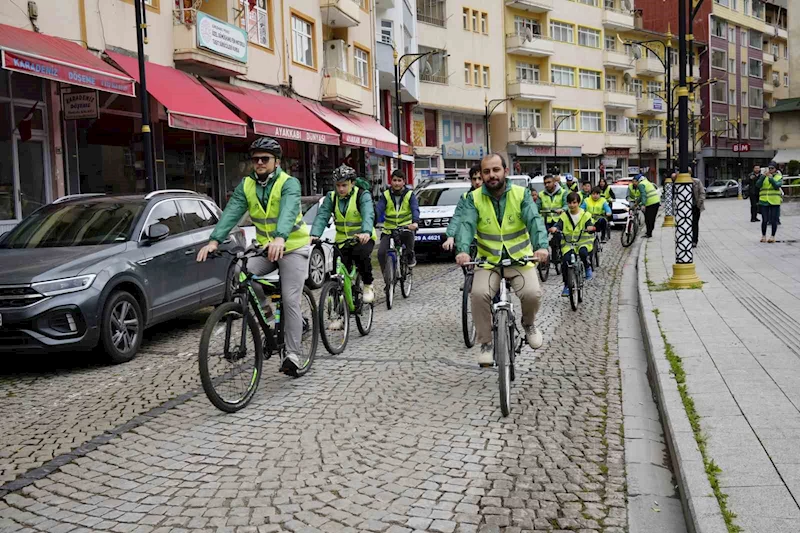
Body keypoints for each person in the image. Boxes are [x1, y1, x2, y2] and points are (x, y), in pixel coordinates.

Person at [196, 137, 310, 376]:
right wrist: (215, 240)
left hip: (292, 248)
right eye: (255, 158)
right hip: (266, 248)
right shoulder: (247, 185)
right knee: (241, 272)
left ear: (276, 161)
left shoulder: (289, 183)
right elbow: (231, 213)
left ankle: (293, 354)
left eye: (265, 159)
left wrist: (280, 237)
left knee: (289, 300)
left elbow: (289, 211)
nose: (259, 162)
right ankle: (267, 313)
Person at [455, 153, 549, 367]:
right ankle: (486, 343)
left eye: (496, 170)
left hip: (519, 260)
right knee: (478, 295)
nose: (491, 175)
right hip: (489, 262)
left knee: (532, 293)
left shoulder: (521, 194)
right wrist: (463, 250)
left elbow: (534, 220)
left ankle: (529, 324)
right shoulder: (474, 198)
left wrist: (541, 246)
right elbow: (467, 225)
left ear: (505, 171)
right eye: (486, 171)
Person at [310, 164, 376, 305]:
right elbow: (322, 215)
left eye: (344, 185)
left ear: (352, 183)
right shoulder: (332, 197)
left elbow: (368, 214)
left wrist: (365, 232)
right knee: (335, 274)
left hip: (362, 239)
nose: (341, 189)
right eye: (338, 185)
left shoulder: (362, 195)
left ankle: (368, 285)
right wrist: (315, 234)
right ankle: (338, 311)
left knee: (361, 256)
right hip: (341, 241)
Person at [552, 192, 596, 295]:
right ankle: (567, 285)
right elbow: (559, 224)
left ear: (579, 203)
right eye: (570, 203)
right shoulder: (564, 215)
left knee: (583, 253)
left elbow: (590, 224)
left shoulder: (585, 215)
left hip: (583, 242)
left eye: (574, 202)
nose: (572, 205)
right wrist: (555, 228)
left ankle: (587, 266)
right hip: (568, 243)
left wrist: (590, 228)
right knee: (565, 262)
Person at [376, 169, 420, 269]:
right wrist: (372, 221)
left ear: (404, 182)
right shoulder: (385, 195)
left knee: (408, 243)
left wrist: (415, 223)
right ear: (391, 181)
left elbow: (415, 209)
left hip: (406, 228)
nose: (396, 183)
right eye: (394, 180)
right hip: (389, 229)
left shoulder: (410, 195)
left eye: (399, 180)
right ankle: (388, 279)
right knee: (381, 253)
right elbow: (379, 209)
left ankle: (410, 255)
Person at [443, 165, 483, 252]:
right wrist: (451, 236)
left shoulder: (491, 197)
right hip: (471, 239)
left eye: (480, 178)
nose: (477, 182)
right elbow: (457, 217)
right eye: (474, 179)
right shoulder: (465, 197)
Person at [539, 174, 568, 255]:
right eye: (545, 183)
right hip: (545, 221)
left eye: (549, 182)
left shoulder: (563, 192)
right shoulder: (541, 194)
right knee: (542, 238)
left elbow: (566, 205)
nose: (547, 185)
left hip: (559, 220)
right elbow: (536, 207)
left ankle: (561, 253)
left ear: (554, 182)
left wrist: (562, 209)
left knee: (559, 237)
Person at [758, 162, 783, 243]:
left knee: (773, 220)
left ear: (776, 169)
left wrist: (771, 178)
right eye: (769, 168)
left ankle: (772, 236)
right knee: (764, 219)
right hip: (764, 200)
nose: (770, 170)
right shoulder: (764, 176)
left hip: (774, 201)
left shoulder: (779, 177)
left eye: (772, 168)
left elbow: (776, 186)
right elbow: (758, 185)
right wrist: (762, 177)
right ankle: (763, 236)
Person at [632, 174, 660, 238]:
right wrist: (637, 203)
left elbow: (643, 194)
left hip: (651, 203)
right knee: (651, 219)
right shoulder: (646, 182)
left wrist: (643, 204)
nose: (633, 183)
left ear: (638, 180)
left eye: (634, 181)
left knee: (648, 219)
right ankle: (649, 232)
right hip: (656, 202)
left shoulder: (641, 184)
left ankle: (649, 233)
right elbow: (642, 195)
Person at [691, 174, 705, 247]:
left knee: (695, 224)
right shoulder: (681, 182)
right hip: (687, 207)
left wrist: (698, 204)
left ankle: (694, 240)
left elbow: (702, 193)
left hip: (695, 206)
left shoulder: (697, 182)